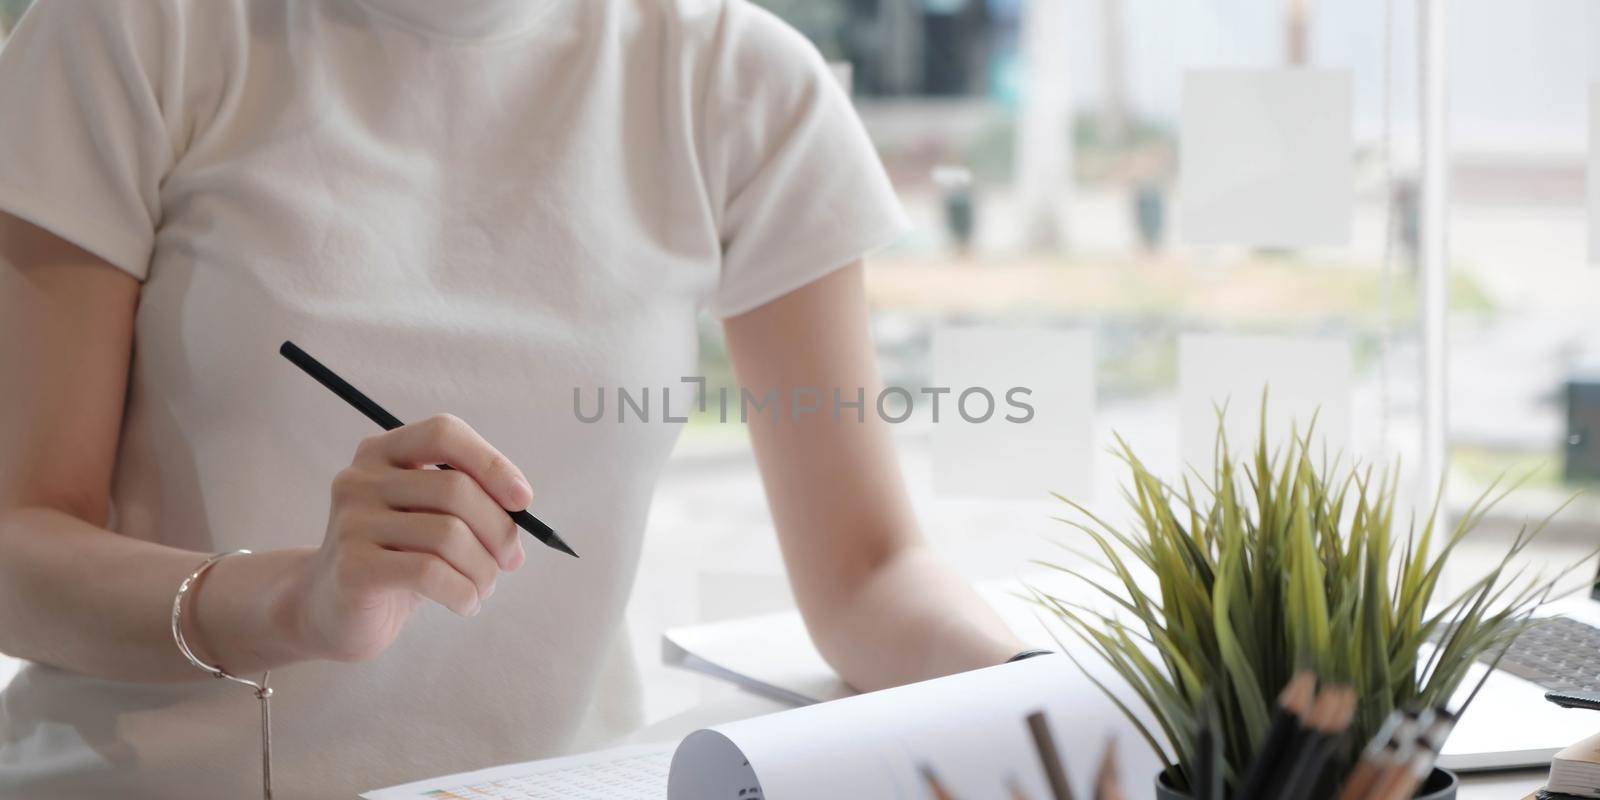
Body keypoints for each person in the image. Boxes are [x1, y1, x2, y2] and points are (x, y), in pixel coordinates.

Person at [0, 1, 1026, 797]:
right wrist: (292, 600)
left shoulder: (736, 79)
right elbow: (18, 548)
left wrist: (1043, 686)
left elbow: (869, 570)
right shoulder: (137, 32)